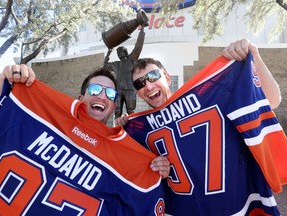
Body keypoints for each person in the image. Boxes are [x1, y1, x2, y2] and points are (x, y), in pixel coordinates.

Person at [115, 39, 287, 215]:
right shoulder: (139, 128)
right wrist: (123, 132)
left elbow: (272, 100)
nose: (148, 86)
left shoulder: (209, 95)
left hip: (237, 206)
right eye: (140, 83)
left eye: (152, 77)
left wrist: (254, 56)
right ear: (137, 93)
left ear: (167, 77)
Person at [0, 66, 169, 215]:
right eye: (95, 90)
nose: (102, 97)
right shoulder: (36, 114)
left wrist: (153, 170)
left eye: (110, 94)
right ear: (80, 99)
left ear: (113, 107)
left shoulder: (127, 158)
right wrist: (4, 81)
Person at [104, 26, 145, 118]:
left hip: (130, 89)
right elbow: (105, 65)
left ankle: (134, 129)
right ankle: (117, 129)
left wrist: (142, 30)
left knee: (131, 111)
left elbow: (138, 46)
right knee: (117, 111)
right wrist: (109, 52)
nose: (119, 53)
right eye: (118, 52)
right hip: (118, 90)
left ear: (126, 52)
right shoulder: (115, 64)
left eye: (122, 51)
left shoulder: (131, 59)